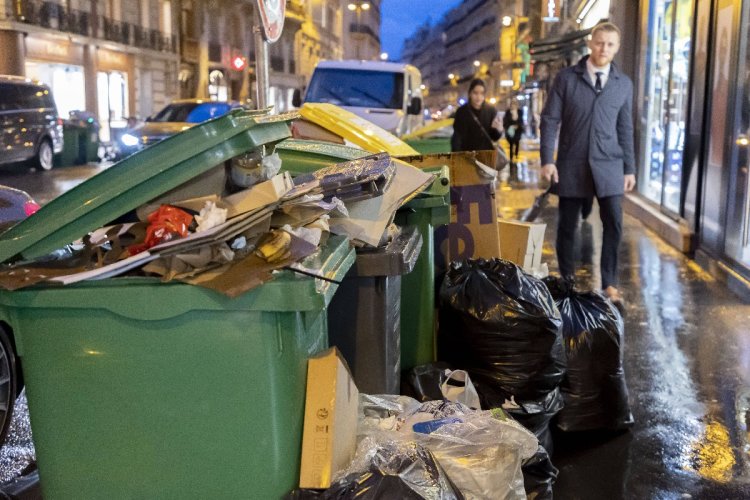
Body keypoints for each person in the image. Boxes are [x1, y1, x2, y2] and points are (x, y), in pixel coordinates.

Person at [539, 22, 636, 309]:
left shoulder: (623, 84)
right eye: (599, 43)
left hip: (610, 165)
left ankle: (609, 283)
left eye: (609, 44)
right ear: (590, 43)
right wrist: (547, 160)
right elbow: (549, 120)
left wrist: (629, 168)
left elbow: (625, 128)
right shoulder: (566, 79)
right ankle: (567, 281)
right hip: (572, 163)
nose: (603, 49)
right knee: (567, 226)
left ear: (616, 48)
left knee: (615, 224)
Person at [450, 78, 502, 152]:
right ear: (470, 93)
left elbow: (494, 137)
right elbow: (457, 137)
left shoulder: (491, 110)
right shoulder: (462, 111)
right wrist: (456, 157)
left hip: (486, 157)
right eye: (475, 93)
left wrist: (498, 130)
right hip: (468, 156)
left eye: (482, 93)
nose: (478, 97)